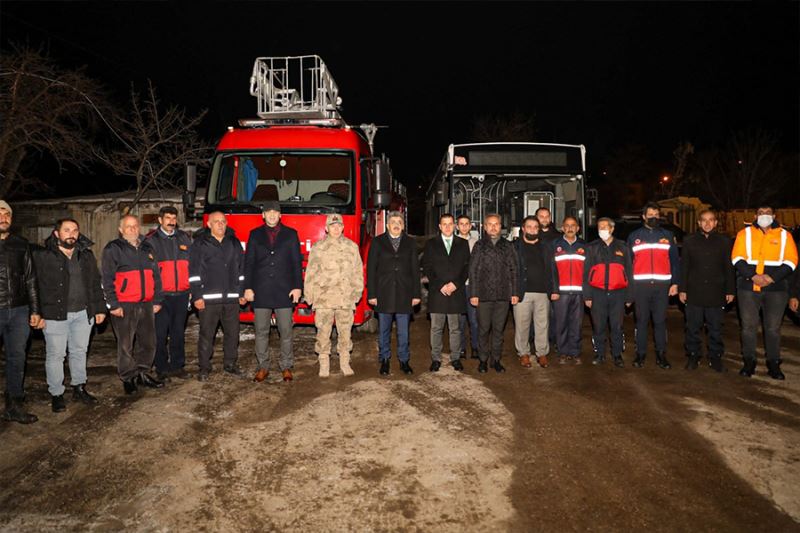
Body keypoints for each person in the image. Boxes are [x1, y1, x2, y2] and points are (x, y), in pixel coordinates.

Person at [32, 219, 107, 412]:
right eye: (66, 230)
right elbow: (35, 286)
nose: (71, 234)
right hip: (54, 315)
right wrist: (36, 313)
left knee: (79, 351)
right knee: (56, 355)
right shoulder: (43, 256)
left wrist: (99, 309)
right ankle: (56, 393)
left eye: (75, 230)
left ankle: (79, 387)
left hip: (83, 313)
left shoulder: (86, 255)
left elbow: (95, 283)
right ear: (56, 234)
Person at [731, 205, 798, 379]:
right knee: (748, 327)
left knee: (773, 328)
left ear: (774, 215)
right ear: (755, 216)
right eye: (761, 213)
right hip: (748, 288)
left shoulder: (785, 235)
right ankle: (749, 362)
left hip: (776, 290)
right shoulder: (743, 234)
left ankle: (773, 364)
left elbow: (792, 261)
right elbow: (736, 258)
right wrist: (753, 276)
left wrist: (771, 278)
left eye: (768, 213)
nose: (764, 216)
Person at [101, 214, 165, 394]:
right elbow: (107, 279)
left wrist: (158, 299)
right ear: (121, 230)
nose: (132, 229)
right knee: (125, 344)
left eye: (135, 226)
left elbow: (156, 276)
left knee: (149, 342)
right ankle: (128, 377)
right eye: (128, 226)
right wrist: (113, 305)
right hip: (124, 304)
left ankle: (143, 373)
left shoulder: (147, 247)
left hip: (146, 303)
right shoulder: (113, 248)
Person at [245, 201, 303, 382]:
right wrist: (247, 287)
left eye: (275, 212)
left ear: (280, 215)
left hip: (284, 291)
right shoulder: (254, 235)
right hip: (260, 291)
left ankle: (286, 366)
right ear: (263, 215)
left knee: (285, 331)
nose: (271, 215)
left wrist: (297, 287)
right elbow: (249, 264)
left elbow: (296, 263)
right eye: (268, 212)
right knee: (261, 331)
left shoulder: (291, 235)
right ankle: (263, 366)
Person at [304, 214, 364, 377]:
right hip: (324, 299)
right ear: (326, 228)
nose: (336, 229)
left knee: (345, 333)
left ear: (343, 227)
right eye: (332, 226)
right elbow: (311, 273)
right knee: (323, 333)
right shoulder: (318, 248)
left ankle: (344, 361)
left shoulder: (352, 247)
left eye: (339, 226)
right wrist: (309, 294)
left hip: (345, 298)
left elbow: (358, 272)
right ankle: (324, 363)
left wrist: (357, 292)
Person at [189, 211, 246, 382]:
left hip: (231, 299)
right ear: (209, 224)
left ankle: (230, 364)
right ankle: (204, 368)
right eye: (216, 222)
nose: (220, 224)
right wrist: (197, 296)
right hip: (208, 300)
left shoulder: (234, 243)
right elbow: (194, 273)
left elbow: (242, 270)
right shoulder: (200, 244)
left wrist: (241, 292)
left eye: (223, 221)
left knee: (233, 334)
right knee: (207, 335)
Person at [678, 210, 735, 372]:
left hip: (716, 291)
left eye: (711, 220)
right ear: (698, 223)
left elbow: (728, 268)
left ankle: (715, 357)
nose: (707, 223)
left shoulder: (724, 241)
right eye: (704, 220)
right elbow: (685, 267)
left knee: (715, 328)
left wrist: (730, 290)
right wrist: (683, 289)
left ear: (716, 223)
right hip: (694, 291)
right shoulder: (689, 240)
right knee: (692, 327)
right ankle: (693, 355)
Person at [0, 200, 40, 424]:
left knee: (17, 358)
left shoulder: (21, 244)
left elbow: (31, 279)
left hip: (18, 311)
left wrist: (35, 310)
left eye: (7, 215)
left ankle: (14, 404)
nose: (3, 218)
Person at [367, 211, 421, 375]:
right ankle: (384, 360)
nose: (396, 224)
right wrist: (372, 294)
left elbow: (415, 270)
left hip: (405, 293)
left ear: (403, 225)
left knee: (403, 331)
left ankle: (404, 361)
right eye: (393, 222)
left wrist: (416, 294)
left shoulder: (410, 243)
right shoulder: (378, 242)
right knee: (384, 330)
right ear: (388, 225)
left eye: (399, 222)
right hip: (384, 293)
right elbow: (371, 269)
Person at [627, 202, 680, 369]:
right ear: (643, 216)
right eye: (650, 215)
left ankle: (661, 355)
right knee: (641, 321)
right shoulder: (634, 236)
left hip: (662, 286)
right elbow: (628, 264)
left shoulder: (668, 235)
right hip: (640, 287)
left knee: (660, 321)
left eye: (656, 215)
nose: (654, 218)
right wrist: (629, 288)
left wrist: (675, 283)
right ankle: (640, 354)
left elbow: (675, 262)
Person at [145, 206, 192, 381]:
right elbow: (148, 272)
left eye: (173, 218)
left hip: (181, 294)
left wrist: (190, 291)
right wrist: (153, 296)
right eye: (167, 218)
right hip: (161, 296)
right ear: (160, 220)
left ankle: (177, 366)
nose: (171, 221)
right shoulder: (151, 241)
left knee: (178, 333)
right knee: (160, 334)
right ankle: (162, 367)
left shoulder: (184, 238)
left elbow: (191, 265)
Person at [469, 213, 519, 373]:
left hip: (503, 295)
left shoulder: (508, 245)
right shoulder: (479, 245)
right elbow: (473, 271)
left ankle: (496, 360)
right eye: (490, 224)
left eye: (496, 224)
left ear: (500, 226)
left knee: (498, 330)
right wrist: (474, 294)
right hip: (483, 295)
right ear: (484, 227)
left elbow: (514, 270)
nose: (493, 226)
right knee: (483, 329)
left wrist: (514, 292)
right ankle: (483, 360)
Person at [422, 213, 470, 372]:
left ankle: (455, 358)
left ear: (455, 226)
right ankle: (436, 358)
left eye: (450, 224)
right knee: (436, 328)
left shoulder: (462, 244)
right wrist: (441, 285)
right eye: (445, 224)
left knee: (455, 328)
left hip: (456, 292)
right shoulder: (431, 244)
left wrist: (455, 284)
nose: (448, 227)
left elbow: (466, 268)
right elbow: (427, 267)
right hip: (438, 291)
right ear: (440, 226)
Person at [583, 217, 633, 367]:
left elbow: (629, 272)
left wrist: (630, 295)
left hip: (618, 293)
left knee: (616, 326)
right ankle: (599, 354)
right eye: (600, 227)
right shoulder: (591, 248)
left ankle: (617, 355)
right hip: (597, 293)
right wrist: (587, 295)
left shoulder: (623, 247)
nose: (602, 230)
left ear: (612, 229)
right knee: (598, 326)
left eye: (605, 227)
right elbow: (586, 273)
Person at [513, 216, 554, 368]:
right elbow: (510, 271)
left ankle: (541, 353)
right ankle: (523, 353)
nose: (532, 229)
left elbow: (552, 269)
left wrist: (553, 289)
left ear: (538, 229)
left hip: (543, 292)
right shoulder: (515, 247)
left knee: (542, 325)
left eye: (535, 227)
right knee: (522, 325)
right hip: (522, 293)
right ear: (523, 229)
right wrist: (513, 292)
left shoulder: (546, 246)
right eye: (529, 226)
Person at [551, 216, 587, 365]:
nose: (570, 228)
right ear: (562, 228)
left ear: (578, 228)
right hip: (561, 292)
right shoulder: (555, 245)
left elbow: (588, 271)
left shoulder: (585, 246)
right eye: (567, 225)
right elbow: (551, 270)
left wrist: (588, 292)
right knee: (561, 324)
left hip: (579, 292)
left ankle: (575, 351)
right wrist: (554, 290)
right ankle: (563, 352)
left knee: (576, 324)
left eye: (573, 225)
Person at [535, 206, 561, 350]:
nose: (544, 219)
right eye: (541, 216)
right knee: (536, 315)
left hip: (553, 280)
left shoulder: (558, 237)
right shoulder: (530, 234)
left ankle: (553, 339)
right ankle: (535, 340)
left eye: (547, 216)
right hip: (536, 281)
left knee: (553, 313)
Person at [456, 215, 479, 359]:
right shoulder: (453, 243)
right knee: (459, 320)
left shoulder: (477, 243)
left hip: (472, 286)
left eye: (467, 224)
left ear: (471, 226)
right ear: (457, 226)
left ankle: (475, 347)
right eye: (461, 224)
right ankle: (462, 348)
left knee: (474, 320)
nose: (464, 226)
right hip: (458, 287)